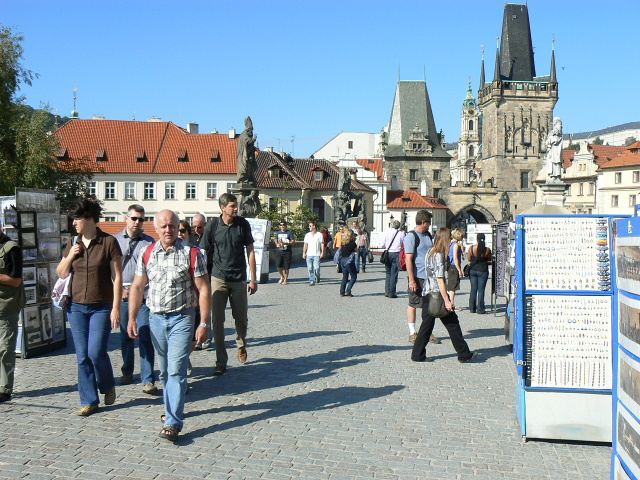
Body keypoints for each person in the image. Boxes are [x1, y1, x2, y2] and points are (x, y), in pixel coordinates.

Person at [128, 210, 210, 442]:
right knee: (164, 370)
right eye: (163, 226)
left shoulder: (191, 253)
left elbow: (204, 289)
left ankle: (173, 422)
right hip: (156, 319)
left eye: (172, 226)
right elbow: (137, 287)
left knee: (176, 369)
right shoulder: (147, 252)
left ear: (178, 227)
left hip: (182, 318)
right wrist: (132, 318)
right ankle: (171, 407)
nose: (168, 230)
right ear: (155, 228)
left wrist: (204, 322)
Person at [57, 198, 123, 416]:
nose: (74, 223)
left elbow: (117, 277)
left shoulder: (108, 242)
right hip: (76, 307)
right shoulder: (72, 243)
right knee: (82, 355)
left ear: (90, 219)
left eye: (77, 219)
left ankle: (107, 385)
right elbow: (61, 272)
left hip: (101, 306)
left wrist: (116, 308)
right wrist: (71, 256)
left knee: (96, 352)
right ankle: (89, 400)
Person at [201, 193, 258, 376]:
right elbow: (203, 251)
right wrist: (201, 279)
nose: (236, 209)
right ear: (222, 208)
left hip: (239, 278)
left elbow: (250, 251)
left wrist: (253, 278)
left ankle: (241, 344)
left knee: (240, 318)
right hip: (218, 278)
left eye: (236, 206)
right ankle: (220, 361)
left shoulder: (243, 224)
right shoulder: (212, 226)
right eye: (232, 206)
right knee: (217, 321)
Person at [411, 228, 478, 363]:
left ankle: (417, 354)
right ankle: (464, 354)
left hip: (427, 292)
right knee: (452, 324)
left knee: (427, 326)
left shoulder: (430, 252)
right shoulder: (440, 255)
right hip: (437, 295)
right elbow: (440, 279)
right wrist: (447, 300)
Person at [113, 204, 157, 394]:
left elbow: (153, 270)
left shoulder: (149, 242)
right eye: (134, 218)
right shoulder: (114, 241)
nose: (138, 222)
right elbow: (109, 271)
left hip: (144, 296)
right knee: (126, 337)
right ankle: (127, 371)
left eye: (141, 219)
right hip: (122, 295)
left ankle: (147, 378)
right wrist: (120, 289)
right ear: (126, 219)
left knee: (145, 335)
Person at [404, 211, 440, 345]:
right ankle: (412, 332)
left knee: (429, 305)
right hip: (417, 275)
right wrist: (412, 279)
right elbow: (409, 259)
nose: (430, 225)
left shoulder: (427, 235)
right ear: (423, 222)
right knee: (413, 303)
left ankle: (426, 331)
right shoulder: (411, 236)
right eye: (429, 223)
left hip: (429, 276)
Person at [0, 221, 25, 403]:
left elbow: (15, 280)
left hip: (6, 306)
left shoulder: (11, 248)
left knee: (5, 349)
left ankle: (3, 389)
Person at [468, 232, 492, 314]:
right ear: (484, 239)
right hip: (483, 271)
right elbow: (489, 260)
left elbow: (469, 259)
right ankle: (480, 309)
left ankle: (472, 308)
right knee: (481, 290)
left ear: (477, 239)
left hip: (473, 270)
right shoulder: (487, 250)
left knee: (473, 289)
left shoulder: (471, 248)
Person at [381, 220, 405, 298]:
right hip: (396, 253)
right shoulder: (401, 234)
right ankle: (392, 292)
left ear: (392, 225)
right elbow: (404, 244)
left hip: (388, 253)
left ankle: (387, 291)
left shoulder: (387, 233)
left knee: (388, 273)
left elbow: (382, 245)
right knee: (394, 274)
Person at [303, 221, 325, 286]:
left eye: (310, 226)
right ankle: (312, 280)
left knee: (316, 267)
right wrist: (304, 253)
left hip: (317, 254)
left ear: (314, 226)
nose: (309, 227)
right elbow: (305, 244)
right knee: (310, 268)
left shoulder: (319, 235)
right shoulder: (307, 235)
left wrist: (322, 252)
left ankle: (317, 276)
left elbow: (322, 244)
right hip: (309, 254)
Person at [447, 229, 465, 307]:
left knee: (451, 286)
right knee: (453, 287)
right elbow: (455, 258)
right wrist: (459, 270)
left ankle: (450, 302)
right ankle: (451, 303)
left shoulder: (450, 243)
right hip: (454, 266)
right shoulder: (456, 245)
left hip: (450, 266)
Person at [338, 229, 358, 297]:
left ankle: (342, 292)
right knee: (354, 276)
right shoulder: (352, 243)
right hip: (349, 260)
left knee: (345, 276)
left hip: (342, 260)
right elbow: (356, 251)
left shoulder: (343, 243)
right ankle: (348, 291)